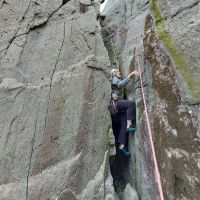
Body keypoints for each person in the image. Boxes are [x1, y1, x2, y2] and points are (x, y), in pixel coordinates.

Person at [109, 68, 140, 157]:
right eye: (118, 71)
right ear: (114, 73)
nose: (120, 72)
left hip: (116, 108)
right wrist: (131, 75)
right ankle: (129, 125)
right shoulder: (114, 79)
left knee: (123, 125)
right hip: (116, 103)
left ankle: (122, 146)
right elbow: (120, 84)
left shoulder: (115, 79)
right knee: (131, 104)